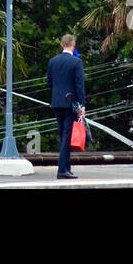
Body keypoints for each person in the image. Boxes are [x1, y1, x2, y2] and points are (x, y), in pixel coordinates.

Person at [47, 33, 86, 180]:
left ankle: (66, 168)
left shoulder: (52, 61)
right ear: (73, 44)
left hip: (57, 102)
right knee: (66, 136)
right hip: (71, 104)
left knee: (63, 134)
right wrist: (81, 105)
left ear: (61, 44)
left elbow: (49, 83)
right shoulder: (76, 62)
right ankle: (62, 170)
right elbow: (79, 85)